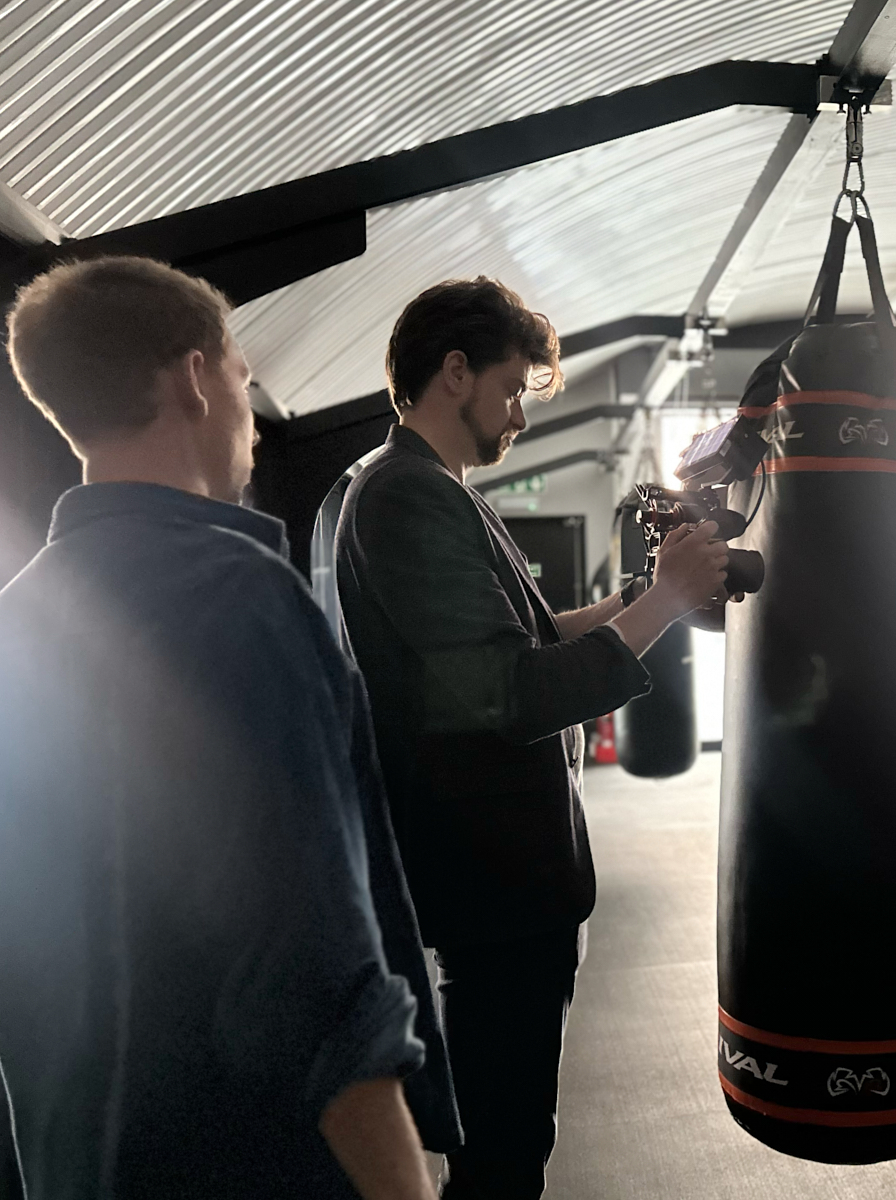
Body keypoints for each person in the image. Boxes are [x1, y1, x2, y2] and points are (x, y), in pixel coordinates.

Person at [0, 256, 458, 1199]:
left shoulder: (17, 619)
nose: (251, 415)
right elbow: (311, 967)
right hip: (254, 1157)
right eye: (245, 378)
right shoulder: (240, 597)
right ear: (195, 379)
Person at [334, 277, 730, 1197]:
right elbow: (513, 693)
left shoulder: (439, 491)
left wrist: (645, 596)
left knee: (512, 1138)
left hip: (507, 886)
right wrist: (667, 602)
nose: (518, 414)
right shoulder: (404, 496)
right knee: (503, 1155)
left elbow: (535, 637)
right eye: (511, 389)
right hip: (493, 886)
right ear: (455, 372)